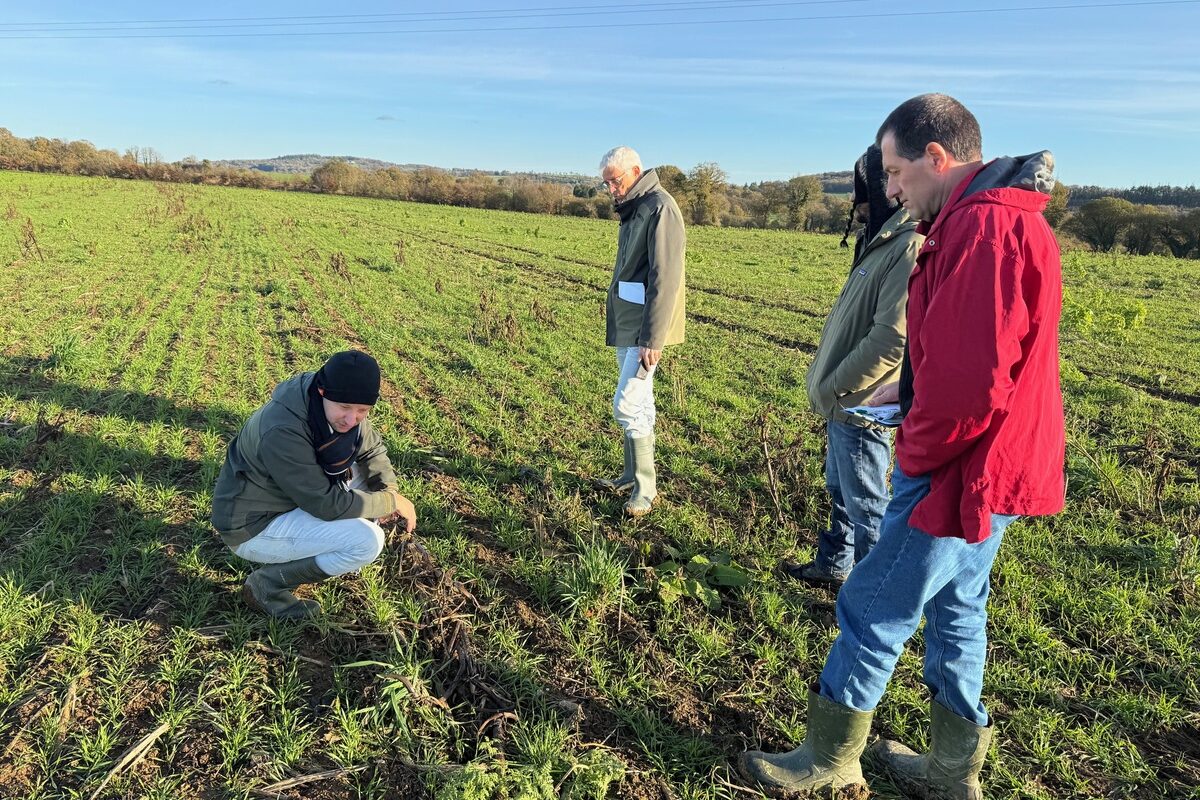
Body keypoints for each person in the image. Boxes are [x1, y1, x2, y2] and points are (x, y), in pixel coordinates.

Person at [740, 94, 1066, 799]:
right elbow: (970, 360)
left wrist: (915, 451)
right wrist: (910, 393)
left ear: (937, 159)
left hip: (959, 471)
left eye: (893, 172)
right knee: (957, 612)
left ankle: (829, 761)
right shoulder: (993, 221)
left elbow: (973, 386)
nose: (887, 189)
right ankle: (951, 773)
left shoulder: (983, 230)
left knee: (874, 602)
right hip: (991, 464)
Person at [785, 144, 921, 587]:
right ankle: (835, 564)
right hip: (843, 400)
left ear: (882, 194)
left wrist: (838, 386)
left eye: (860, 194)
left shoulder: (906, 247)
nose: (853, 206)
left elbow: (891, 339)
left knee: (868, 506)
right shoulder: (877, 242)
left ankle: (870, 593)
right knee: (841, 492)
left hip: (861, 402)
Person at [211, 350, 417, 619]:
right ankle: (268, 585)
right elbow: (325, 504)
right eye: (344, 408)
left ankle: (318, 546)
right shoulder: (283, 430)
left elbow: (372, 450)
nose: (352, 419)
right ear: (322, 392)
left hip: (286, 500)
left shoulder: (329, 402)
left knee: (365, 476)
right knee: (366, 542)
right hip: (252, 525)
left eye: (363, 411)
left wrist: (388, 490)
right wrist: (390, 503)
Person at [595, 146, 686, 516]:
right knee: (640, 403)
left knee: (627, 403)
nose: (611, 190)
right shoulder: (634, 208)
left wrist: (653, 337)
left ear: (635, 171)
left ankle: (645, 488)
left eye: (615, 182)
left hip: (645, 329)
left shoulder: (660, 208)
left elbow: (665, 278)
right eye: (607, 184)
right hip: (628, 321)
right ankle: (630, 474)